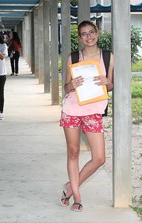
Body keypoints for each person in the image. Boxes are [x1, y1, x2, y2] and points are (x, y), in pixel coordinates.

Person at [60, 20, 114, 212]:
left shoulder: (108, 57)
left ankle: (70, 186)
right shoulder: (73, 57)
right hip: (72, 109)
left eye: (91, 32)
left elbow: (110, 86)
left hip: (94, 111)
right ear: (80, 37)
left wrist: (108, 81)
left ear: (97, 33)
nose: (89, 36)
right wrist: (72, 85)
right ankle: (76, 196)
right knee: (73, 153)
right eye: (84, 34)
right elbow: (65, 87)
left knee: (99, 158)